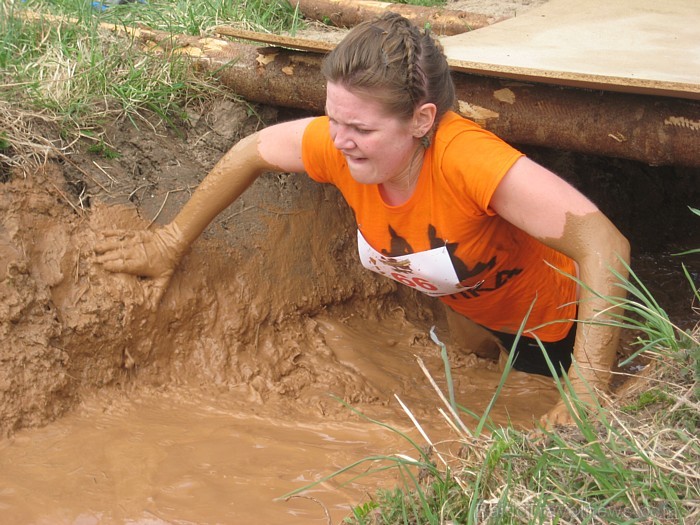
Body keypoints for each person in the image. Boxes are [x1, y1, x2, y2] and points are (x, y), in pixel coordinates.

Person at [95, 12, 630, 427]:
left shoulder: (467, 160)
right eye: (333, 119)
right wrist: (169, 242)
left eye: (362, 129)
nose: (340, 140)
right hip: (470, 311)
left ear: (421, 121)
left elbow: (606, 245)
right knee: (472, 367)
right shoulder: (339, 146)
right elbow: (251, 150)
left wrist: (586, 394)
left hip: (557, 327)